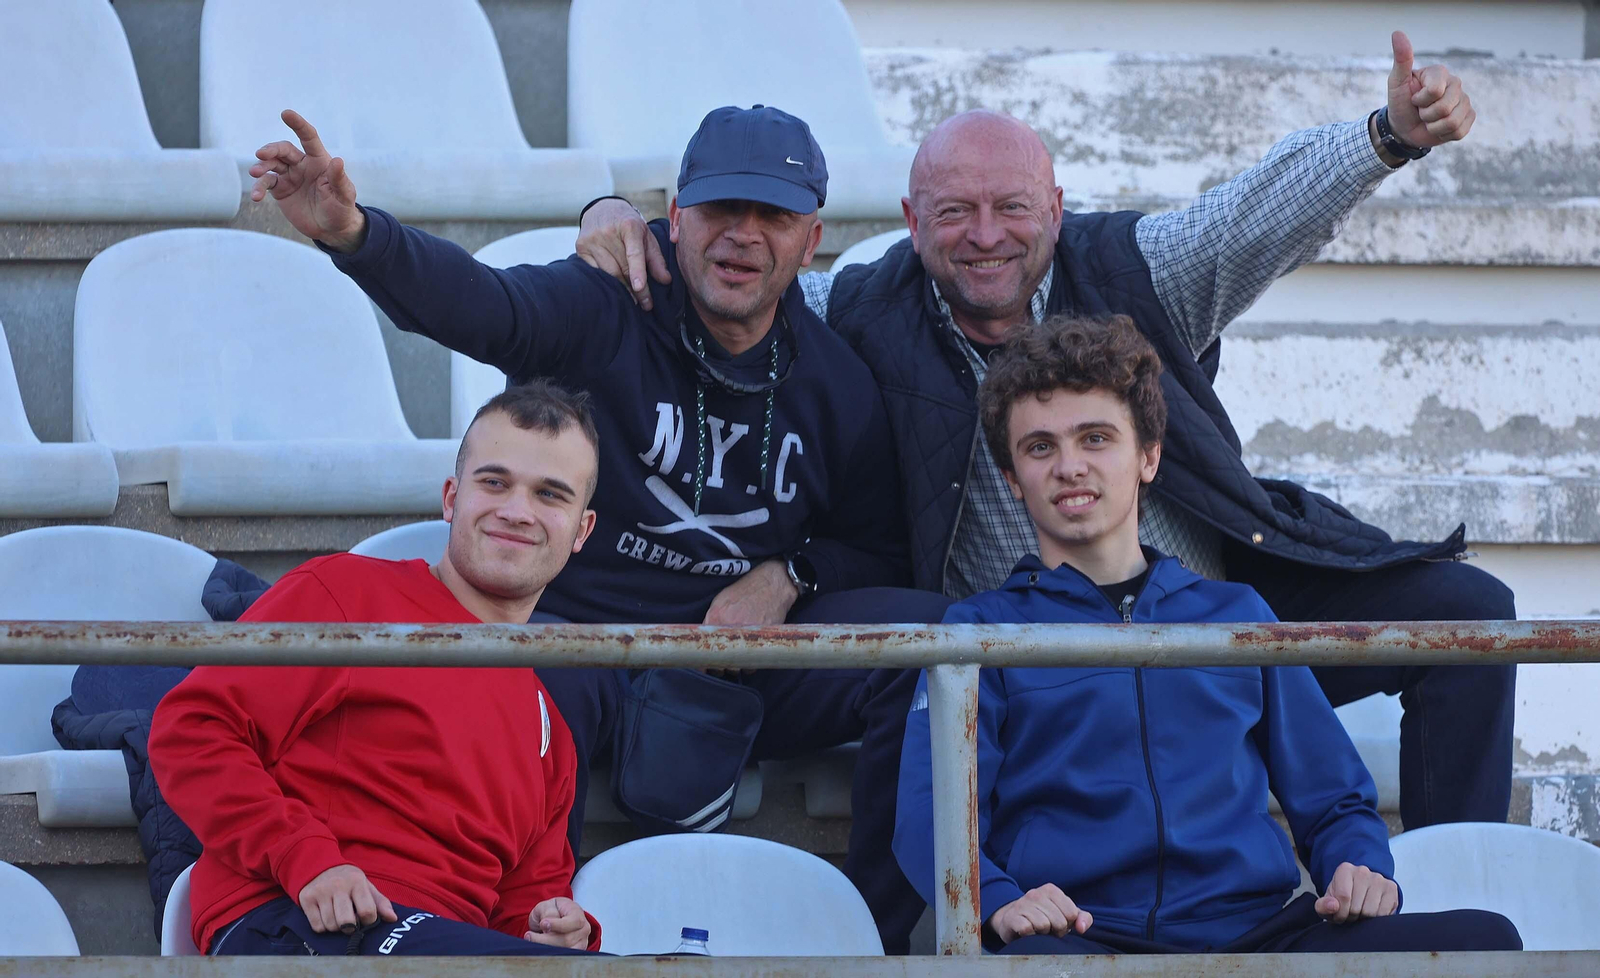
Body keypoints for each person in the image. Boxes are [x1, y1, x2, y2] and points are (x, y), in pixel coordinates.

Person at [576, 30, 1515, 833]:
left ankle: (1456, 878)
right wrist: (618, 221)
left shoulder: (1141, 271)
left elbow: (1254, 215)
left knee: (1470, 616)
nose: (985, 234)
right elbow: (733, 280)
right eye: (954, 213)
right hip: (1027, 661)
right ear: (911, 222)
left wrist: (1386, 138)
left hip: (1212, 627)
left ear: (1055, 209)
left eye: (1012, 207)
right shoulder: (855, 310)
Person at [246, 103, 949, 951]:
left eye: (775, 216)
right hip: (579, 642)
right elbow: (481, 305)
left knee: (937, 645)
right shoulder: (606, 301)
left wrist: (790, 575)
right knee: (521, 678)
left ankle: (871, 939)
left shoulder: (836, 382)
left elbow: (873, 550)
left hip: (740, 656)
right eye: (723, 209)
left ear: (813, 238)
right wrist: (358, 234)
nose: (744, 237)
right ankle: (525, 938)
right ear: (677, 217)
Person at [893, 314, 1522, 956]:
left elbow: (1333, 795)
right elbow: (928, 811)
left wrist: (1357, 865)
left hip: (1257, 937)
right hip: (1081, 938)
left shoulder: (1235, 616)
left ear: (1148, 456)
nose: (1070, 467)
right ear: (1011, 478)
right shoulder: (980, 633)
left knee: (1487, 942)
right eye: (1040, 447)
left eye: (1096, 438)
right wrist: (999, 900)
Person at [149, 382, 605, 957]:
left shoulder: (551, 731)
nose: (516, 511)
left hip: (440, 947)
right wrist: (306, 860)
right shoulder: (347, 595)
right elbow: (191, 730)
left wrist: (562, 931)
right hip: (301, 922)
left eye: (549, 495)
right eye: (494, 482)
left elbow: (525, 907)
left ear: (581, 530)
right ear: (450, 497)